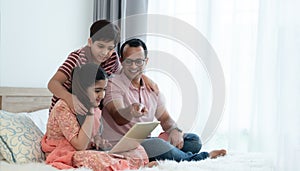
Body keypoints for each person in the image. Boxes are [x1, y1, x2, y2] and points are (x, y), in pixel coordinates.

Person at [101, 38, 226, 162]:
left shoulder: (151, 89)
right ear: (122, 61)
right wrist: (130, 111)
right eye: (129, 61)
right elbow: (117, 115)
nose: (133, 66)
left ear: (146, 61)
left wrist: (174, 130)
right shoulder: (113, 84)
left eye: (139, 61)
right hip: (119, 146)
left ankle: (166, 152)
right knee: (157, 144)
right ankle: (200, 158)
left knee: (193, 141)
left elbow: (165, 119)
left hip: (143, 143)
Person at [41, 63, 155, 171]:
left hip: (85, 150)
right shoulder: (63, 107)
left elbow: (93, 136)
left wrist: (98, 141)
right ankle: (128, 167)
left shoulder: (95, 107)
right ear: (81, 89)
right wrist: (90, 111)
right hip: (64, 153)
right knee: (95, 159)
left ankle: (128, 166)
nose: (102, 95)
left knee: (137, 149)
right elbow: (80, 145)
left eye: (104, 90)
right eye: (97, 91)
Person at [48, 19, 158, 115]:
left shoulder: (112, 58)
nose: (105, 53)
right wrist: (70, 99)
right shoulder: (77, 58)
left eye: (110, 48)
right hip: (64, 110)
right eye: (101, 46)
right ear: (90, 42)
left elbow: (124, 74)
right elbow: (53, 83)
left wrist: (144, 78)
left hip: (89, 112)